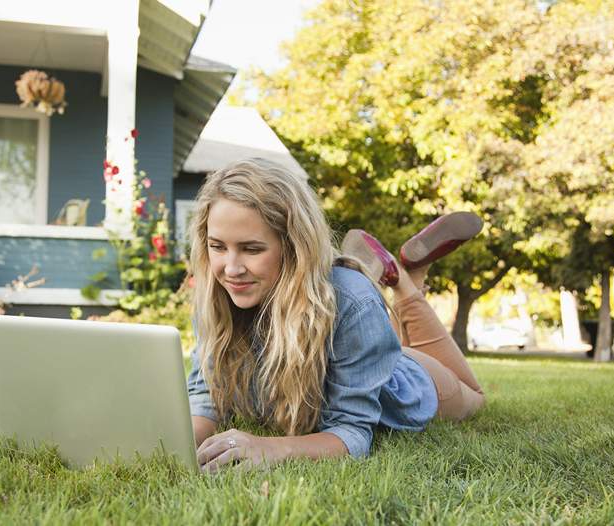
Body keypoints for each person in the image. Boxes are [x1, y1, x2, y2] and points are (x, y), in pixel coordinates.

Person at [187, 158, 485, 473]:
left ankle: (405, 281)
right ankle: (396, 274)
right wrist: (171, 442)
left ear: (294, 246)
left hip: (409, 381)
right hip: (365, 348)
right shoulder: (216, 293)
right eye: (218, 247)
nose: (230, 269)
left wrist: (268, 447)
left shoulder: (352, 301)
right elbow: (206, 397)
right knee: (365, 319)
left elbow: (353, 431)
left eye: (251, 249)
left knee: (475, 396)